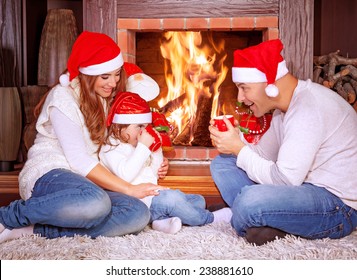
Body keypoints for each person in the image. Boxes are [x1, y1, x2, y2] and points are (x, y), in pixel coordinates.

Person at [0, 31, 169, 244]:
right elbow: (79, 160)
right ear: (87, 75)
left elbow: (122, 142)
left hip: (90, 183)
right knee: (96, 203)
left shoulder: (111, 99)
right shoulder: (63, 96)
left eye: (117, 74)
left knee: (137, 213)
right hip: (52, 173)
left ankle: (32, 230)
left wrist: (153, 160)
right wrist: (128, 188)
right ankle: (9, 216)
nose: (113, 82)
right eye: (105, 76)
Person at [209, 39, 357, 246]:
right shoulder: (283, 111)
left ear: (270, 85)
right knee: (223, 163)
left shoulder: (307, 107)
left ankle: (245, 214)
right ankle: (264, 221)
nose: (240, 98)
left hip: (337, 206)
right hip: (303, 187)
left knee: (249, 200)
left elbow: (285, 179)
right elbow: (261, 154)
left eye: (244, 88)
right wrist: (236, 140)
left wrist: (239, 149)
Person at [100, 91, 233, 234]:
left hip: (155, 195)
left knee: (198, 199)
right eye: (139, 126)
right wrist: (144, 147)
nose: (143, 132)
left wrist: (155, 150)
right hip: (142, 202)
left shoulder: (136, 145)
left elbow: (153, 172)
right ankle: (209, 218)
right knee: (174, 199)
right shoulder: (110, 148)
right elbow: (125, 175)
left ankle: (160, 221)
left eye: (145, 126)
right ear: (119, 126)